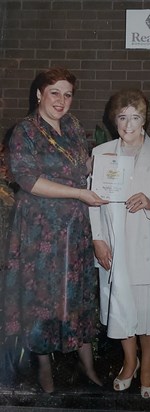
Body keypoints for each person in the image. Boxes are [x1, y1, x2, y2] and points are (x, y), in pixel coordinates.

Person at [2, 67, 107, 393]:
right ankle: (44, 368)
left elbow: (84, 164)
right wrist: (77, 192)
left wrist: (109, 163)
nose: (62, 101)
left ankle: (86, 364)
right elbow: (27, 179)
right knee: (43, 297)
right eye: (55, 93)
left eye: (68, 94)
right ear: (39, 94)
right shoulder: (25, 131)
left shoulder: (74, 127)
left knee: (76, 293)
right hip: (40, 230)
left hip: (74, 227)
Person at [89, 88, 150, 398]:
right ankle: (129, 361)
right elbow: (92, 201)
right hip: (115, 243)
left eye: (136, 117)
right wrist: (98, 240)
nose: (129, 125)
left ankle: (149, 364)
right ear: (113, 119)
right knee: (121, 307)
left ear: (145, 119)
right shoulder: (101, 153)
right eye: (122, 117)